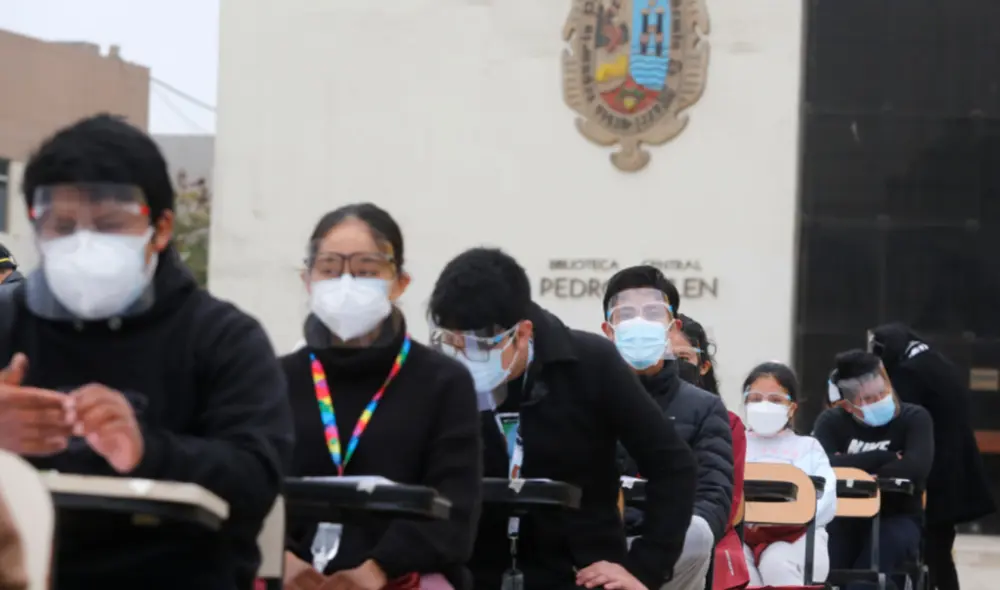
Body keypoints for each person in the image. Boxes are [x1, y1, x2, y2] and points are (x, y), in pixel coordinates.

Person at [0, 115, 293, 589]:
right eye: (62, 226)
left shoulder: (223, 338)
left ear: (160, 228)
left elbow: (256, 479)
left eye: (110, 225)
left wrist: (147, 451)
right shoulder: (6, 323)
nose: (84, 244)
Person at [428, 248, 697, 590]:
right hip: (470, 571)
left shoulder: (591, 364)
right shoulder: (443, 376)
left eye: (481, 346)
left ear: (522, 333)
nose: (466, 356)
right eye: (454, 343)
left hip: (578, 572)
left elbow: (673, 465)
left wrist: (645, 568)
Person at [280, 204, 482, 590]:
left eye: (366, 271)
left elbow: (455, 511)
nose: (345, 283)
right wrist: (282, 559)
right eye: (329, 269)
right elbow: (248, 491)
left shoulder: (443, 382)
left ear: (399, 282)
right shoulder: (275, 378)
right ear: (307, 279)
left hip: (401, 577)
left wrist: (378, 569)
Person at [601, 266, 733, 590]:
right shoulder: (584, 399)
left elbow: (713, 497)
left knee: (697, 533)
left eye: (652, 313)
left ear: (672, 327)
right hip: (599, 544)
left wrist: (646, 558)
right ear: (608, 329)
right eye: (626, 314)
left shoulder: (704, 407)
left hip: (671, 549)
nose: (639, 322)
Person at [869, 323, 995, 590]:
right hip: (955, 470)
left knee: (932, 554)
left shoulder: (910, 372)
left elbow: (900, 419)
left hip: (935, 475)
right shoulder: (936, 361)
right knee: (940, 552)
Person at [814, 349, 934, 590]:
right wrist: (883, 458)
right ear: (848, 406)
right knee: (824, 564)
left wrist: (849, 465)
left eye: (883, 393)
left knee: (868, 573)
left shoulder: (914, 418)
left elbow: (915, 468)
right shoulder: (831, 422)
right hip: (843, 517)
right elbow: (821, 466)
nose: (880, 401)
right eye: (868, 399)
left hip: (898, 516)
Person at [669, 314, 749, 590]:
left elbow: (727, 501)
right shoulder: (627, 413)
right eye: (666, 357)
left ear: (703, 366)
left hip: (698, 530)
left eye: (683, 358)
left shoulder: (728, 423)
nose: (674, 367)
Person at [740, 362, 836, 586]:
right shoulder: (734, 444)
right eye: (755, 399)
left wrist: (782, 519)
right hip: (741, 534)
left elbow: (827, 499)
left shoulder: (808, 448)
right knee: (736, 566)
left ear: (792, 407)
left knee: (776, 562)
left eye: (775, 400)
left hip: (800, 537)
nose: (764, 406)